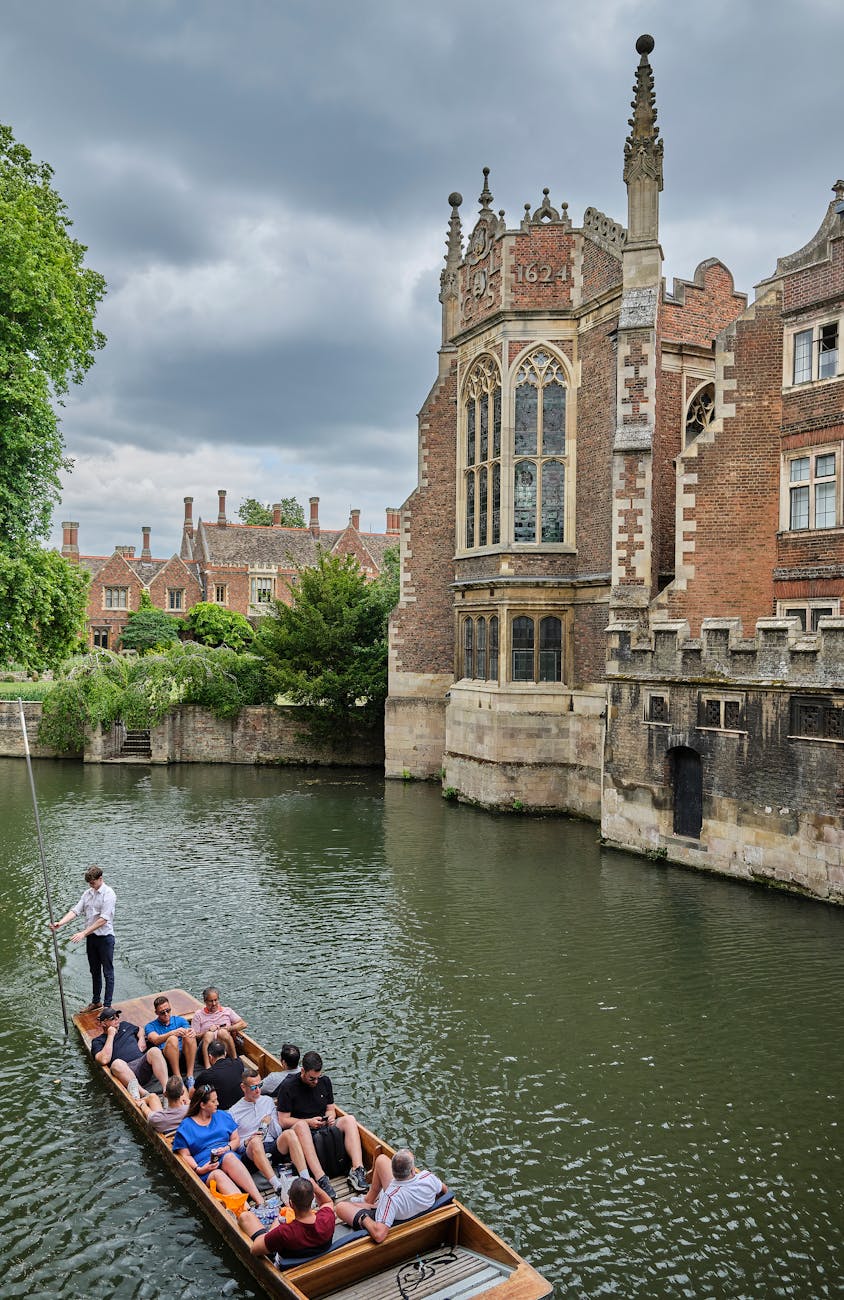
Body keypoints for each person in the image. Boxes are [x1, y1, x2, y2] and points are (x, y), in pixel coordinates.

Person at [276, 1051, 368, 1199]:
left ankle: (357, 1170)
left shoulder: (325, 1081)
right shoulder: (288, 1086)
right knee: (301, 1126)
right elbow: (283, 1120)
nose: (316, 1082)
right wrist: (309, 1122)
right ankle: (321, 1178)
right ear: (303, 1071)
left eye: (318, 1078)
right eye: (312, 1078)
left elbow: (330, 1108)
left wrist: (331, 1117)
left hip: (323, 1127)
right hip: (302, 1130)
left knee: (349, 1120)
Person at [173, 1083, 265, 1206]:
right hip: (204, 1166)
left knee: (230, 1157)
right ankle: (246, 1209)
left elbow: (236, 1139)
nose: (218, 1103)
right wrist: (199, 1169)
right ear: (203, 1105)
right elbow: (185, 1155)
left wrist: (228, 1147)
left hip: (226, 1154)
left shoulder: (223, 1116)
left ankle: (260, 1201)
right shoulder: (186, 1126)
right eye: (213, 1101)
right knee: (218, 1175)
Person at [334, 1148, 446, 1244]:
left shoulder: (390, 1197)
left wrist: (364, 1218)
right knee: (381, 1159)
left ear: (393, 1172)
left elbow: (379, 1235)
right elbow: (444, 1192)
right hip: (406, 1205)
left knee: (340, 1207)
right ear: (412, 1170)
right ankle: (368, 1201)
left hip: (393, 1215)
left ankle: (370, 1205)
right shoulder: (428, 1177)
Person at [229, 1066, 309, 1197]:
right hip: (250, 1152)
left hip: (270, 1145)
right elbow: (236, 1144)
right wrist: (247, 1141)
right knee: (255, 1142)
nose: (258, 1090)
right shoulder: (234, 1112)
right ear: (243, 1088)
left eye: (260, 1085)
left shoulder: (267, 1101)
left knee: (289, 1134)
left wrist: (269, 1122)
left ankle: (306, 1178)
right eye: (254, 1087)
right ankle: (277, 1186)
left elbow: (277, 1133)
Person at [50, 866, 117, 1011]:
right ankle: (96, 1002)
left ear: (100, 879)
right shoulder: (87, 894)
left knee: (108, 972)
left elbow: (103, 919)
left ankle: (107, 1006)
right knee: (94, 970)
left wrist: (83, 933)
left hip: (105, 938)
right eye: (89, 883)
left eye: (92, 883)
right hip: (91, 938)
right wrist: (60, 923)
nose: (90, 886)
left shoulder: (109, 894)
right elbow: (76, 910)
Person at [240, 1177, 336, 1262]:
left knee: (245, 1217)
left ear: (291, 1203)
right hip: (317, 1258)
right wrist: (315, 1187)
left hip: (289, 1266)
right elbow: (327, 1202)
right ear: (313, 1198)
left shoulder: (283, 1232)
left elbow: (254, 1249)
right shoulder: (327, 1218)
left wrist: (276, 1223)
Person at [90, 1007, 168, 1097]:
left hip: (142, 1063)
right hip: (125, 1071)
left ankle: (166, 1089)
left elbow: (140, 1029)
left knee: (155, 1051)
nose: (116, 1020)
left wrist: (141, 1039)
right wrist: (111, 1035)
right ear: (103, 1023)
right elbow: (103, 1060)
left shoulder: (124, 1025)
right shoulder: (98, 1041)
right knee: (116, 1063)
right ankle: (144, 1094)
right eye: (112, 1018)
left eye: (117, 1016)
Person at [144, 994, 197, 1088]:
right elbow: (155, 1040)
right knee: (172, 1039)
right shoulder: (150, 1026)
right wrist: (172, 1033)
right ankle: (178, 1077)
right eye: (162, 1012)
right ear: (156, 1012)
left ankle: (190, 1076)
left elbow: (188, 1029)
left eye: (168, 1011)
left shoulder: (180, 1020)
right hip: (167, 1059)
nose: (166, 1014)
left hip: (185, 1055)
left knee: (190, 1036)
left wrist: (191, 1031)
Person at [191, 987, 246, 1067]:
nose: (214, 1004)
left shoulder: (227, 1011)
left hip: (224, 1046)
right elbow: (195, 1036)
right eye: (211, 1001)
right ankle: (208, 1066)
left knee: (222, 1032)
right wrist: (207, 1031)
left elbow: (243, 1024)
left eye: (215, 1000)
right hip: (207, 1049)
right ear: (205, 1001)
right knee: (209, 1034)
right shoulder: (198, 1015)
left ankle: (235, 1059)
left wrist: (228, 1028)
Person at [193, 1038, 244, 1109]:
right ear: (225, 1053)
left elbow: (194, 1092)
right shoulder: (238, 1063)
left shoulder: (207, 1075)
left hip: (222, 1109)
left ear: (210, 1057)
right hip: (240, 1104)